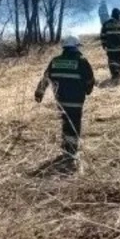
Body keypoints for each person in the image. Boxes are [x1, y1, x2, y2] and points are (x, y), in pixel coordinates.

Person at [35, 35, 95, 163]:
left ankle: (66, 148)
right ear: (76, 47)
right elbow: (90, 80)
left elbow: (45, 78)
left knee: (65, 123)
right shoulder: (82, 61)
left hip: (61, 101)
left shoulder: (55, 61)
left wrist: (39, 92)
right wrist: (88, 90)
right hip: (76, 101)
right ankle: (71, 152)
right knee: (74, 124)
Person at [100, 7, 120, 81]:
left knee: (112, 62)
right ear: (119, 15)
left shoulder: (106, 23)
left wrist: (104, 44)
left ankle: (114, 75)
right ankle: (119, 74)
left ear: (112, 15)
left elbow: (103, 35)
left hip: (111, 49)